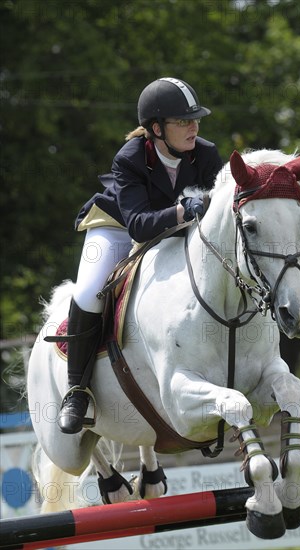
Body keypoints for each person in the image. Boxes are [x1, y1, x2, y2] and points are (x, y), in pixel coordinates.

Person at [58, 77, 223, 434]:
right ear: (156, 129)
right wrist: (182, 211)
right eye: (183, 121)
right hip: (117, 226)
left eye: (196, 119)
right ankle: (77, 391)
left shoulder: (206, 153)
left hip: (174, 230)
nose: (194, 126)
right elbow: (138, 225)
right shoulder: (130, 158)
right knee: (88, 292)